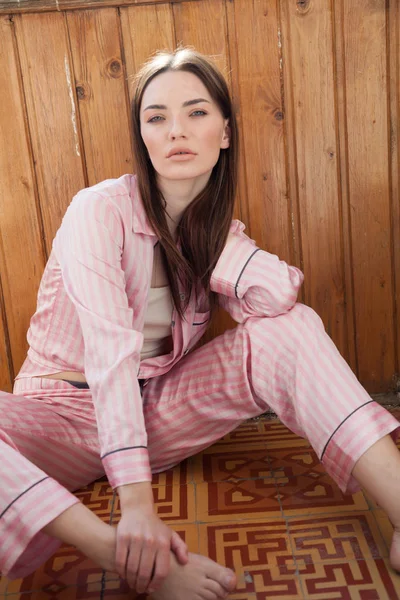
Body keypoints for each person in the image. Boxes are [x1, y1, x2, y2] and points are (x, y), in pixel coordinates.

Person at [0, 46, 399, 600]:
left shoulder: (217, 231)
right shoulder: (97, 211)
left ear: (225, 133)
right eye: (156, 118)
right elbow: (111, 356)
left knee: (292, 327)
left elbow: (279, 299)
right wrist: (138, 510)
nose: (176, 131)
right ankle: (127, 558)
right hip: (57, 420)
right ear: (142, 137)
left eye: (196, 112)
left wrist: (210, 247)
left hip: (156, 411)